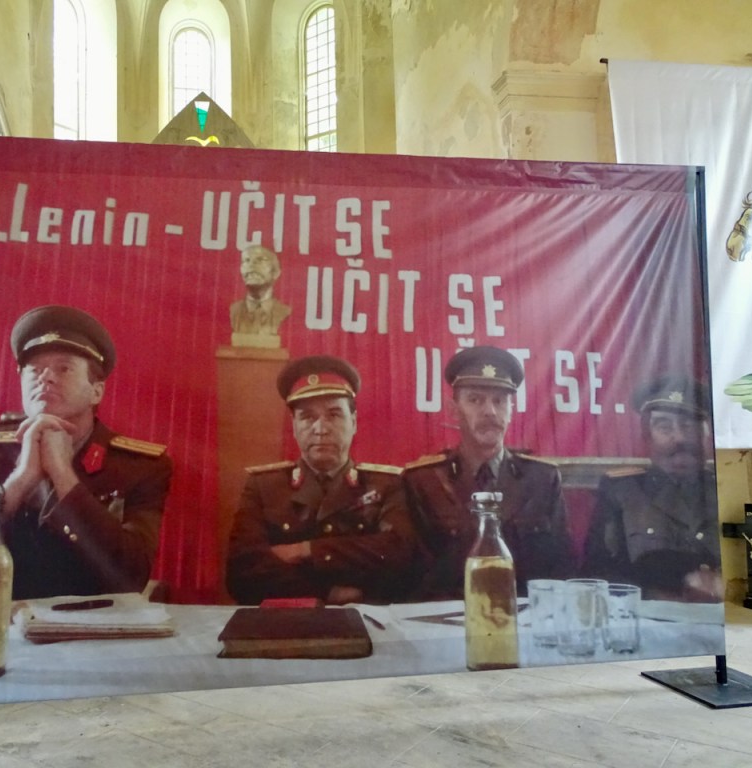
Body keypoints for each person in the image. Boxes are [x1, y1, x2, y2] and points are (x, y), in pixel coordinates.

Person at [0, 305, 173, 600]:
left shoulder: (138, 467)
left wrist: (64, 477)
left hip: (91, 622)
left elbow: (130, 577)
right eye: (34, 370)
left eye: (64, 368)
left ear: (96, 391)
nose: (45, 378)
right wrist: (18, 482)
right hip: (0, 617)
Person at [226, 355, 420, 605]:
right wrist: (327, 593)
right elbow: (242, 573)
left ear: (354, 422)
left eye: (334, 415)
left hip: (367, 620)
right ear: (294, 426)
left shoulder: (387, 484)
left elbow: (401, 557)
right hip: (286, 621)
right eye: (308, 417)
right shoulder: (264, 487)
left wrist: (306, 550)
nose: (321, 428)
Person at [403, 345, 572, 599]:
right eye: (475, 400)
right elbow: (414, 577)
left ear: (511, 409)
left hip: (524, 614)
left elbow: (562, 566)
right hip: (451, 616)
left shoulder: (542, 479)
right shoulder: (423, 482)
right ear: (453, 409)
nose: (490, 411)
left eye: (499, 401)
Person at [582, 374, 721, 601]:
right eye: (664, 427)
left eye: (689, 426)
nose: (679, 438)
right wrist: (657, 594)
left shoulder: (733, 490)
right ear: (646, 437)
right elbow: (598, 573)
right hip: (648, 615)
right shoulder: (621, 492)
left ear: (707, 436)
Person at [229, 244, 292, 337]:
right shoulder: (230, 311)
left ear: (276, 272)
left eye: (261, 260)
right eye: (246, 260)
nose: (251, 264)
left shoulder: (286, 313)